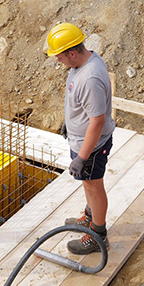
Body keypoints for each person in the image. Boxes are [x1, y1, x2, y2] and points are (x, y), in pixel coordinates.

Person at [46, 23, 115, 255]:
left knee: (94, 186)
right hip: (82, 141)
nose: (58, 61)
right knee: (88, 183)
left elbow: (96, 120)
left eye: (60, 57)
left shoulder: (90, 78)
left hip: (92, 147)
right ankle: (89, 216)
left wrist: (82, 157)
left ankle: (98, 235)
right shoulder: (85, 62)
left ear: (72, 53)